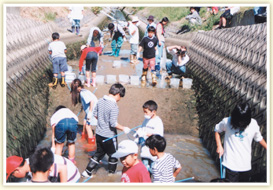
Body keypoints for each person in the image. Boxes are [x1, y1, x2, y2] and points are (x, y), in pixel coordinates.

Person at [82, 83, 131, 178]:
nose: (119, 100)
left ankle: (87, 172)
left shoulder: (100, 101)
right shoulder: (114, 106)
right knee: (114, 155)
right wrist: (124, 128)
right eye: (120, 97)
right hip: (109, 136)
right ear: (118, 94)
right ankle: (111, 174)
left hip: (99, 134)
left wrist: (102, 121)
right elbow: (113, 124)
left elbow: (95, 115)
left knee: (99, 153)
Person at [214, 102, 267, 182]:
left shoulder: (253, 124)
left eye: (243, 121)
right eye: (239, 121)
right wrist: (219, 146)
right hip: (230, 165)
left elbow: (259, 138)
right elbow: (217, 130)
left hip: (246, 166)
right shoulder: (227, 122)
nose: (241, 123)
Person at [6, 148, 80, 183]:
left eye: (12, 175)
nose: (14, 177)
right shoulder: (29, 164)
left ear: (17, 170)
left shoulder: (39, 164)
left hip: (71, 175)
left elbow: (63, 168)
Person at [134, 100, 164, 174]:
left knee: (153, 170)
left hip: (153, 151)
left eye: (146, 112)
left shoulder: (158, 122)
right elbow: (142, 128)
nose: (144, 113)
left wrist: (146, 133)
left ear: (153, 112)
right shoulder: (146, 119)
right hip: (145, 150)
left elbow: (158, 136)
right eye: (144, 111)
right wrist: (138, 134)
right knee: (144, 170)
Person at [71, 79, 98, 146]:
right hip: (90, 110)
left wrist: (90, 112)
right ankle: (84, 137)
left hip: (93, 110)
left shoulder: (83, 93)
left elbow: (91, 101)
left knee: (88, 126)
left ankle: (91, 143)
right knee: (85, 122)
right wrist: (84, 106)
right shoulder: (83, 91)